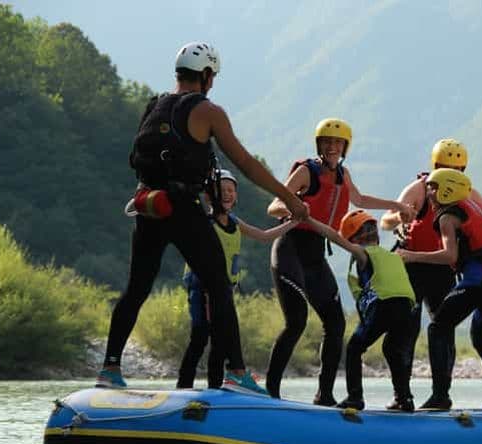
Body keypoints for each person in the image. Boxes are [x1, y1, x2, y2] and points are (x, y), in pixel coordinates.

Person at [97, 42, 307, 392]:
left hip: (148, 204)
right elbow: (247, 165)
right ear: (207, 76)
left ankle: (109, 368)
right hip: (181, 207)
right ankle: (237, 373)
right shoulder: (208, 110)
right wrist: (290, 199)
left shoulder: (155, 105)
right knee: (219, 285)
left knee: (136, 288)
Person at [266, 118, 416, 405]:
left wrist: (395, 205)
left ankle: (325, 395)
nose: (332, 147)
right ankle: (271, 392)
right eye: (327, 142)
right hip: (290, 249)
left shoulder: (342, 175)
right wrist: (294, 209)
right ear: (319, 145)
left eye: (338, 143)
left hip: (314, 255)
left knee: (335, 324)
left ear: (345, 147)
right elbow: (273, 206)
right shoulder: (305, 171)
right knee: (296, 322)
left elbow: (359, 198)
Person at [380, 139, 482, 400]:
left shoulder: (462, 198)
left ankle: (441, 395)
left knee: (441, 328)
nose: (451, 175)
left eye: (458, 169)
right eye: (446, 168)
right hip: (416, 271)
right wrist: (401, 217)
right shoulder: (421, 189)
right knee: (410, 330)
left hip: (446, 268)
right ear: (435, 166)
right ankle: (404, 396)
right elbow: (386, 220)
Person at [177, 170, 297, 390]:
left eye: (231, 190)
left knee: (220, 343)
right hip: (202, 290)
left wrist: (294, 222)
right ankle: (183, 387)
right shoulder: (203, 222)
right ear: (209, 195)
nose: (227, 194)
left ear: (236, 195)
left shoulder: (234, 222)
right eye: (221, 190)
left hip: (224, 291)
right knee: (200, 337)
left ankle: (215, 389)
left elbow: (263, 236)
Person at [306, 210, 417, 411]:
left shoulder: (363, 253)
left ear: (355, 239)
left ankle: (355, 398)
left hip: (384, 306)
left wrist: (307, 219)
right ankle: (404, 399)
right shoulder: (394, 256)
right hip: (407, 309)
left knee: (354, 348)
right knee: (393, 350)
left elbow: (332, 236)